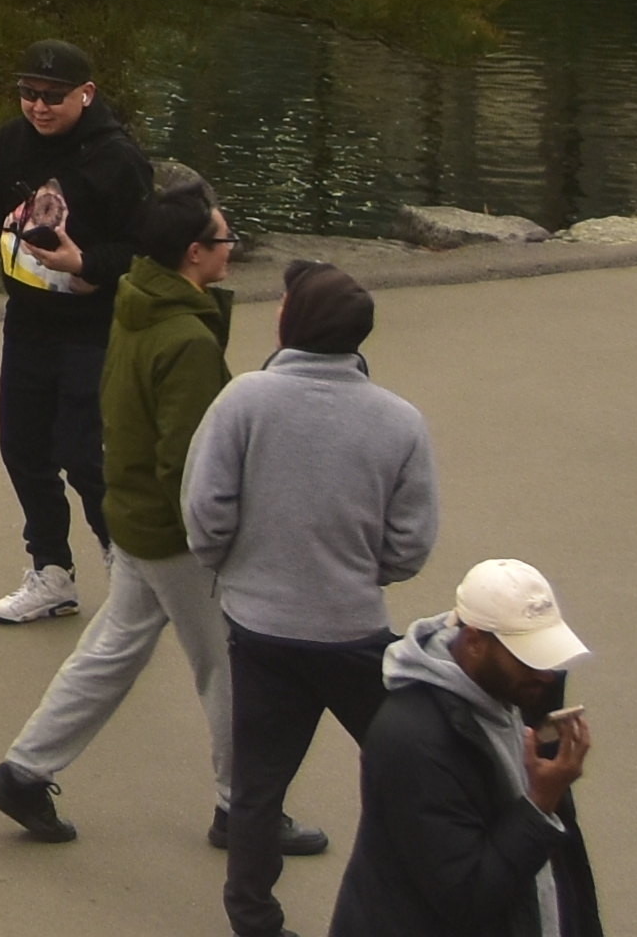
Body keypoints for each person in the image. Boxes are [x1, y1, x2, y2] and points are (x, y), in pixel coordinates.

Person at [0, 179, 321, 862]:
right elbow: (194, 461)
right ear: (195, 254)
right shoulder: (188, 342)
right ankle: (243, 808)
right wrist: (222, 542)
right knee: (232, 668)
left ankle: (24, 770)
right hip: (175, 535)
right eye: (224, 240)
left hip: (136, 515)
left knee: (111, 651)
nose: (231, 249)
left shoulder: (138, 303)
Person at [192, 263, 441, 937]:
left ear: (290, 324)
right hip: (355, 629)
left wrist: (237, 566)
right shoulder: (400, 420)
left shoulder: (244, 400)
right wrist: (365, 573)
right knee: (407, 764)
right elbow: (412, 541)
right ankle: (428, 897)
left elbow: (205, 510)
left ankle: (254, 918)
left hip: (261, 629)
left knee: (257, 786)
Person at [0, 37, 154, 621]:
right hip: (28, 322)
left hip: (93, 326)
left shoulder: (118, 159)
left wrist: (86, 265)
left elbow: (144, 250)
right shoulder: (9, 143)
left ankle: (130, 568)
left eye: (53, 97)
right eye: (29, 94)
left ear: (86, 94)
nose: (39, 107)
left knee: (85, 456)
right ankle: (52, 571)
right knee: (23, 448)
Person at [331, 558, 601, 937]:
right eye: (529, 658)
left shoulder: (519, 690)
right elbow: (466, 895)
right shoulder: (414, 743)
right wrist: (541, 802)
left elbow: (559, 868)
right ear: (474, 641)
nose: (546, 674)